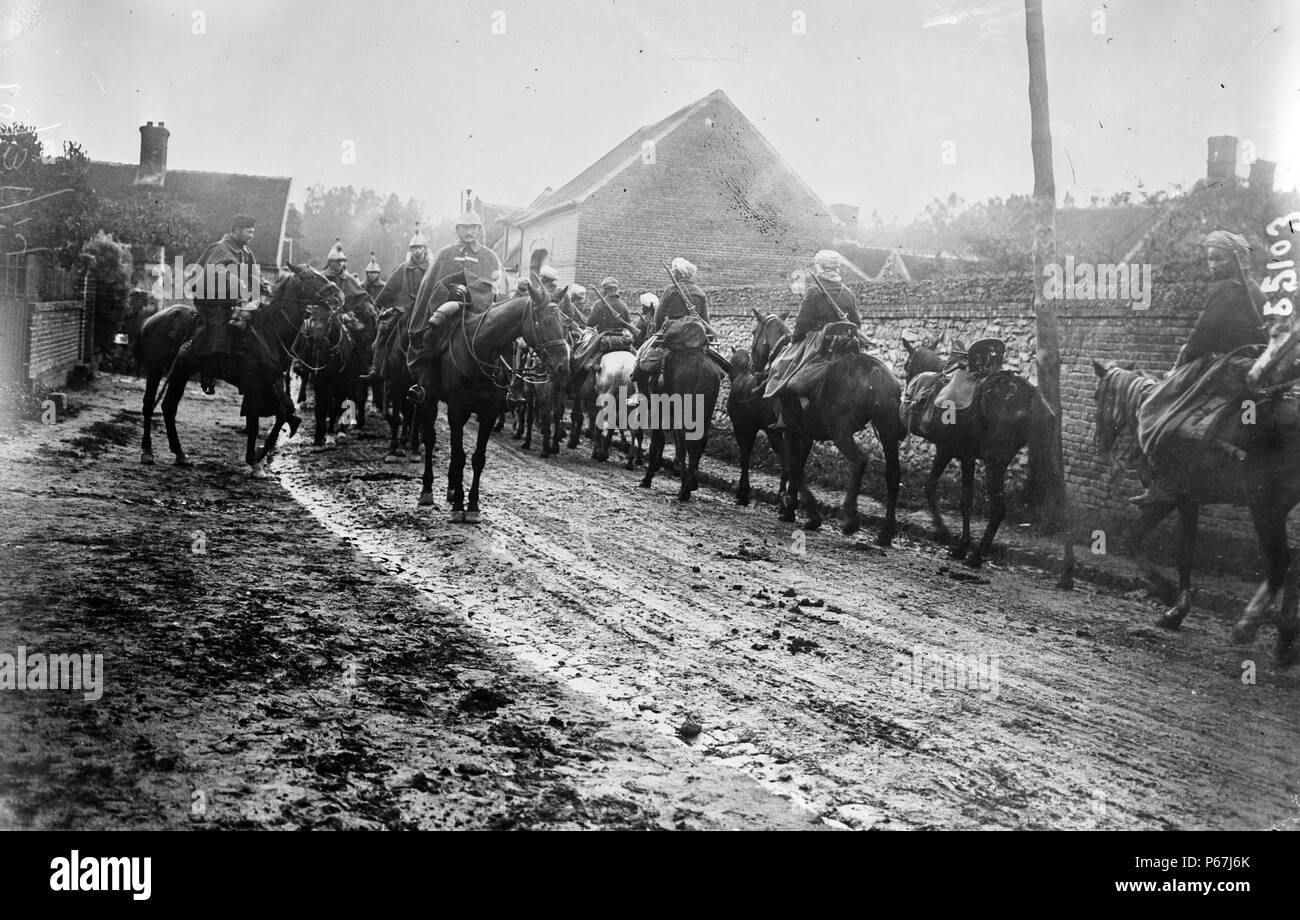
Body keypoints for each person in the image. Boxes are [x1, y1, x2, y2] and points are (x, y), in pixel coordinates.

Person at [1130, 230, 1267, 505]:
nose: (1213, 266)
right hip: (1253, 365)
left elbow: (1200, 336)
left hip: (1223, 367)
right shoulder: (1254, 289)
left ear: (1236, 259)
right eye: (1210, 260)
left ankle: (1167, 484)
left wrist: (1177, 366)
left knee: (1159, 408)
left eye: (1219, 259)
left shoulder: (1224, 290)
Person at [407, 211, 504, 389]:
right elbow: (431, 285)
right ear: (457, 229)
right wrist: (451, 290)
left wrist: (480, 293)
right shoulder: (445, 253)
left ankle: (511, 386)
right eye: (464, 227)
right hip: (450, 308)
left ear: (479, 229)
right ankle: (424, 381)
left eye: (473, 227)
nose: (469, 231)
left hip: (482, 310)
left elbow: (496, 286)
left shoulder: (489, 256)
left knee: (506, 336)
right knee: (433, 331)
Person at [764, 250, 860, 414]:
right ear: (837, 269)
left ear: (820, 268)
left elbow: (801, 325)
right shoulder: (848, 293)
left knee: (779, 365)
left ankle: (786, 416)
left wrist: (795, 340)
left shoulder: (814, 291)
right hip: (844, 343)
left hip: (816, 342)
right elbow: (856, 323)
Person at [191, 215, 260, 395]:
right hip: (211, 299)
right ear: (236, 229)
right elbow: (211, 273)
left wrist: (263, 286)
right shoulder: (220, 248)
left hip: (233, 301)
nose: (251, 235)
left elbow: (254, 276)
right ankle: (208, 372)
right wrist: (235, 281)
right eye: (248, 231)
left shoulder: (246, 252)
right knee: (219, 327)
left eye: (253, 232)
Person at [360, 225, 431, 382]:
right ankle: (376, 368)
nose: (417, 251)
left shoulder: (432, 268)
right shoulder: (403, 268)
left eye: (420, 248)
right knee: (384, 330)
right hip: (403, 310)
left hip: (426, 311)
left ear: (425, 249)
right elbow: (388, 289)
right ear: (410, 251)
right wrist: (379, 304)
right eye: (414, 248)